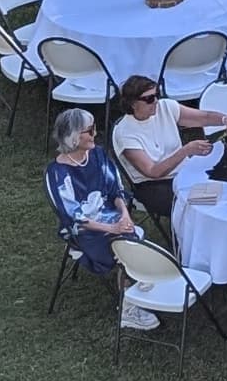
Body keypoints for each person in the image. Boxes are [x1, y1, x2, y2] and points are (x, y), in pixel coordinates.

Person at [45, 107, 150, 327]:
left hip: (111, 217)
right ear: (73, 136)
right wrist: (112, 229)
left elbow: (116, 190)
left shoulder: (98, 154)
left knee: (128, 235)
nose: (95, 134)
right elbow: (72, 217)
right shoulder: (58, 173)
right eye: (89, 130)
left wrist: (124, 215)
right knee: (126, 244)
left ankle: (135, 288)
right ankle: (129, 306)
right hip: (83, 230)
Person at [106, 74, 227, 239]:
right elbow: (152, 172)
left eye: (157, 95)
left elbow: (204, 117)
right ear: (133, 104)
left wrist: (226, 119)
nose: (156, 101)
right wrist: (185, 151)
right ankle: (193, 245)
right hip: (152, 185)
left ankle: (221, 236)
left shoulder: (165, 107)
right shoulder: (125, 133)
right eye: (149, 99)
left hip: (184, 172)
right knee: (198, 204)